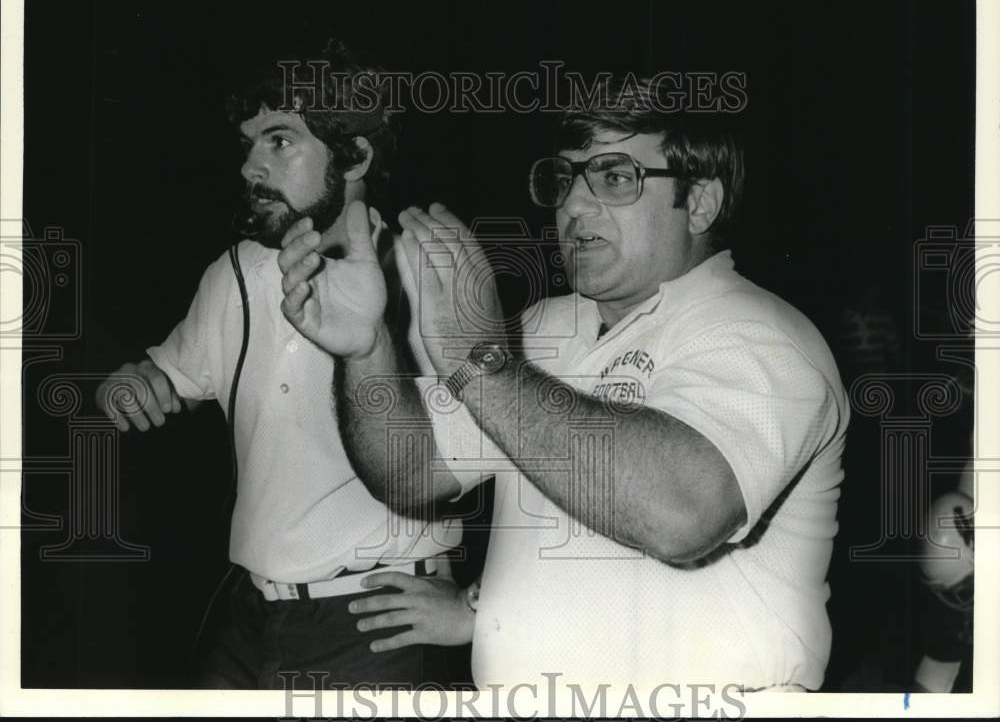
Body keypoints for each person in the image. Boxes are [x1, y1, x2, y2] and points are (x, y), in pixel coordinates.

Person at [278, 77, 850, 691]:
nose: (574, 207)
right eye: (565, 180)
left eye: (614, 177)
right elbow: (410, 472)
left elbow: (681, 514)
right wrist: (367, 351)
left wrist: (484, 361)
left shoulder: (762, 335)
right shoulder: (542, 328)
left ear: (701, 202)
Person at [94, 37, 464, 689]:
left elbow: (513, 454)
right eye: (248, 145)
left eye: (280, 140)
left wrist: (477, 607)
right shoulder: (235, 271)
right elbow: (170, 379)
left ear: (354, 155)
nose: (250, 168)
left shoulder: (427, 270)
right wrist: (132, 386)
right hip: (248, 614)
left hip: (371, 623)